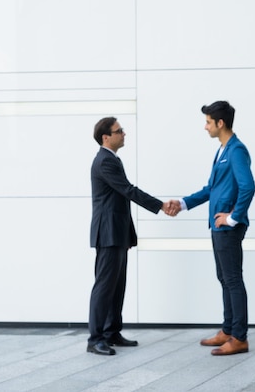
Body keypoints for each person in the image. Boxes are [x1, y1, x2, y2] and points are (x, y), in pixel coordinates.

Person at [170, 101, 255, 356]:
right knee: (224, 278)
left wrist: (233, 218)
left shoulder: (237, 150)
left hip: (228, 228)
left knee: (232, 280)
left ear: (220, 123)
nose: (205, 126)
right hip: (218, 228)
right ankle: (228, 330)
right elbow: (211, 189)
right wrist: (183, 203)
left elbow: (248, 186)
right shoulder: (222, 150)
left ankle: (239, 337)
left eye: (208, 121)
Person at [87, 116, 174, 356]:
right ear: (106, 137)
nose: (124, 133)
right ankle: (95, 339)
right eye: (119, 131)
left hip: (117, 233)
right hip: (108, 234)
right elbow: (128, 191)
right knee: (105, 287)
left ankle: (111, 332)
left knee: (117, 286)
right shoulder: (105, 162)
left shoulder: (112, 159)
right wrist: (160, 205)